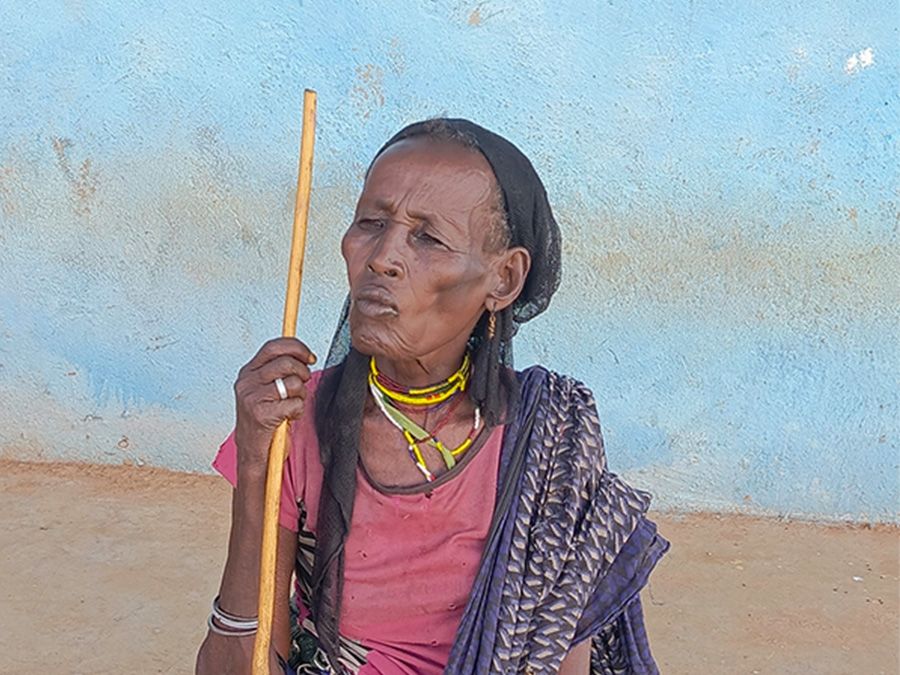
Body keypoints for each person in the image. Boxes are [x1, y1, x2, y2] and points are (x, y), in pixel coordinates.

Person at [196, 119, 669, 675]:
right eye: (371, 222)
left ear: (504, 278)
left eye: (428, 237)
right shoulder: (295, 421)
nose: (382, 258)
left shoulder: (548, 444)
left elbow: (555, 658)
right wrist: (256, 466)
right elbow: (235, 666)